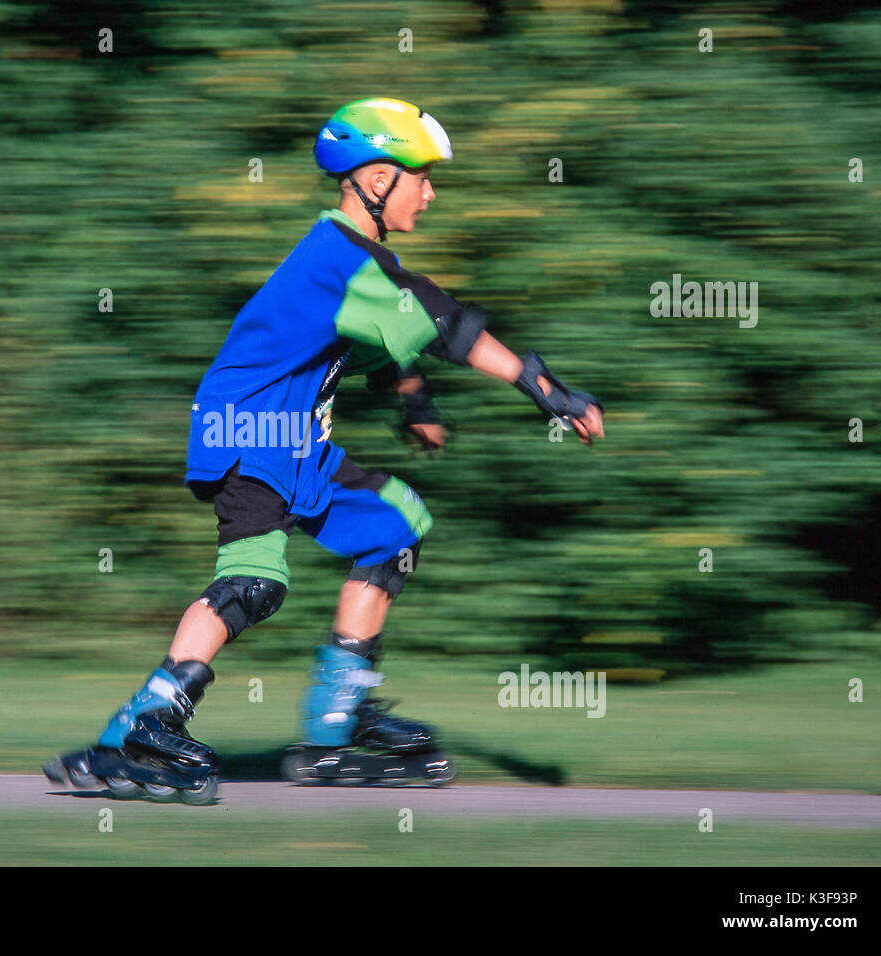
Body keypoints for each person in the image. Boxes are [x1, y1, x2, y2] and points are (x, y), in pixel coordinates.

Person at [45, 97, 605, 803]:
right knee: (255, 583)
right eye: (421, 177)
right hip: (247, 432)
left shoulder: (358, 263)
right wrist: (551, 392)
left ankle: (337, 718)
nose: (430, 193)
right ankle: (144, 726)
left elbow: (388, 336)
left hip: (296, 441)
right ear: (376, 182)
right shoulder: (343, 260)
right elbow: (450, 327)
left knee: (396, 524)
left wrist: (414, 401)